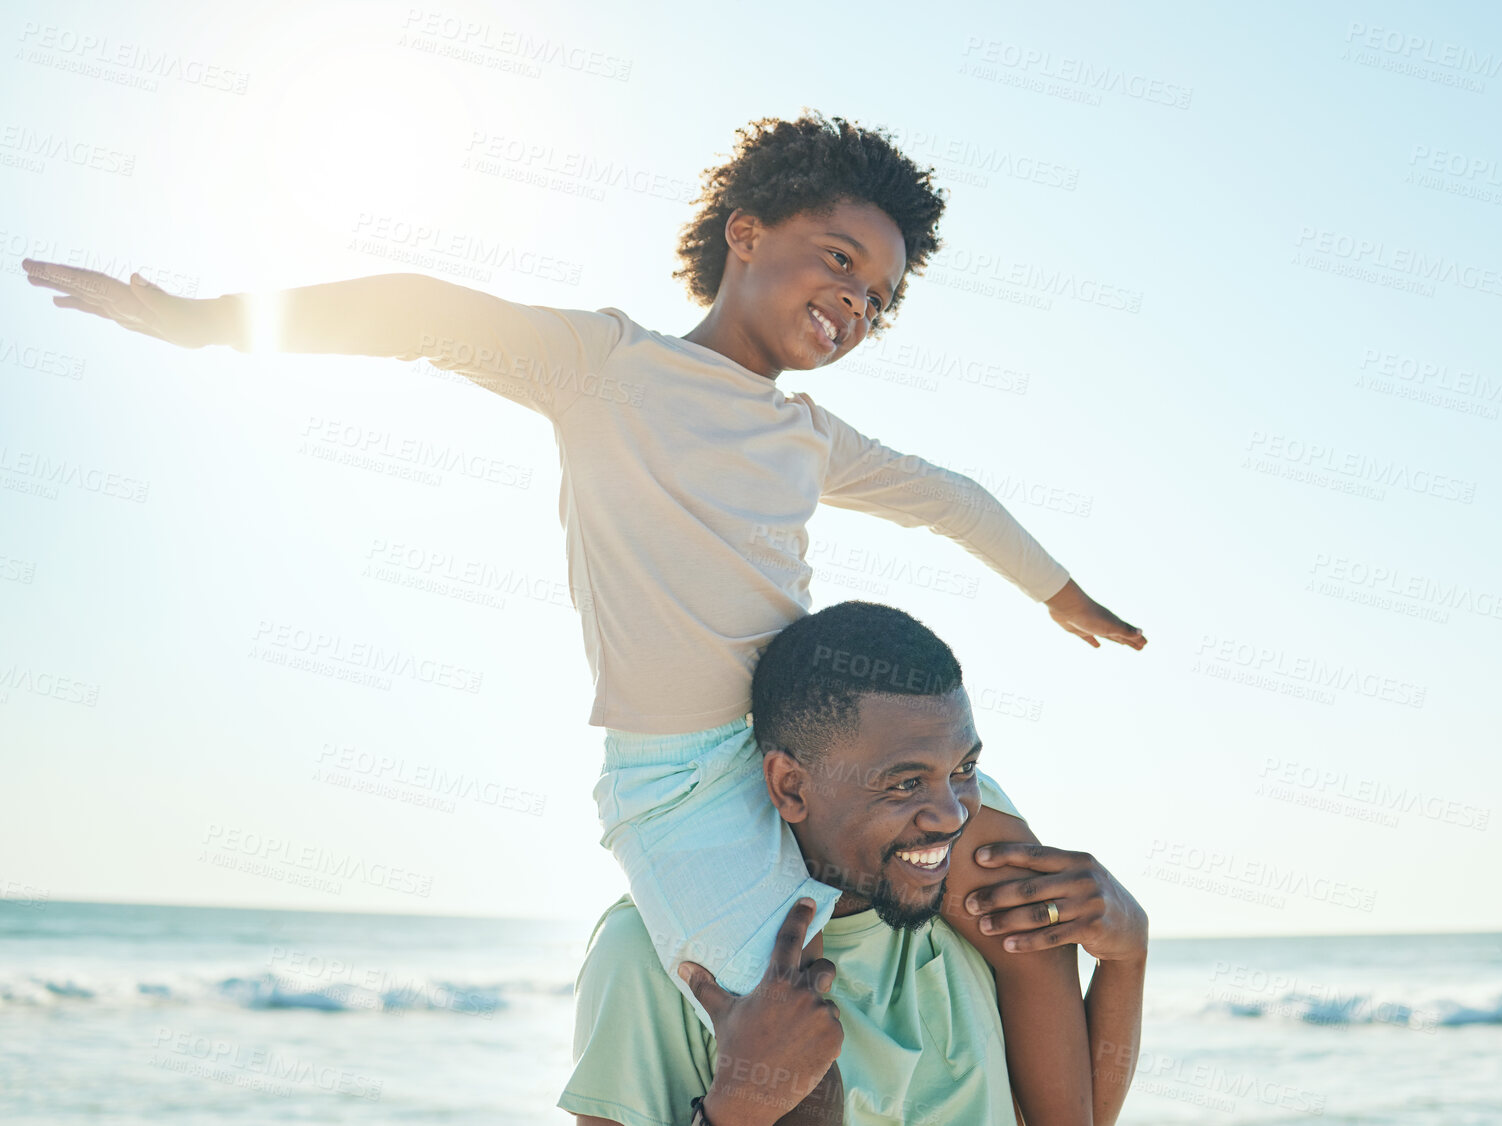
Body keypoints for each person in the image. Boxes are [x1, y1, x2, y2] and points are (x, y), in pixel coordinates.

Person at [21, 109, 1149, 1123]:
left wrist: (1056, 590)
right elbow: (422, 313)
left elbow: (944, 496)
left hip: (824, 755)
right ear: (745, 235)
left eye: (879, 297)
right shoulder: (610, 368)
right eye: (841, 261)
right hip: (687, 789)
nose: (857, 302)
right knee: (799, 1059)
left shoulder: (808, 436)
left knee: (1022, 896)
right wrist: (208, 322)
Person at [560, 601, 1148, 1126]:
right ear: (791, 786)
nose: (948, 814)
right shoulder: (647, 953)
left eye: (963, 769)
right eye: (906, 782)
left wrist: (1126, 957)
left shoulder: (972, 883)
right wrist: (737, 1110)